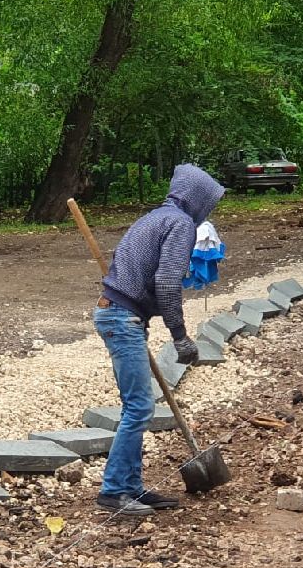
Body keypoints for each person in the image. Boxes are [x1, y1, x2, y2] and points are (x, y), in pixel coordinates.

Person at [94, 163, 225, 516]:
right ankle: (114, 492)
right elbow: (167, 284)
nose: (208, 213)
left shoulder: (157, 217)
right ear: (196, 199)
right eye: (209, 204)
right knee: (138, 407)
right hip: (122, 318)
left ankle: (132, 488)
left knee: (138, 405)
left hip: (121, 314)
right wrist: (180, 337)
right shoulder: (180, 225)